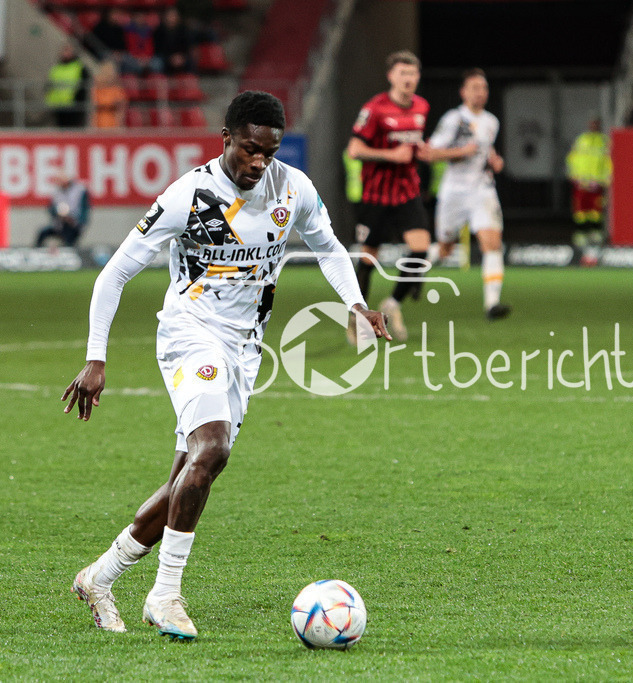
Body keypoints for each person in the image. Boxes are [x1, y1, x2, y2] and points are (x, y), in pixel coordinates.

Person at [62, 91, 390, 640]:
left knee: (189, 477)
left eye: (269, 152)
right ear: (227, 138)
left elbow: (330, 249)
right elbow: (113, 275)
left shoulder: (294, 188)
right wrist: (96, 358)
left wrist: (355, 304)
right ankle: (165, 596)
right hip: (190, 334)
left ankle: (100, 576)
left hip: (244, 349)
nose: (258, 163)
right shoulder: (188, 195)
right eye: (248, 150)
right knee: (212, 448)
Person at [346, 50, 431, 342]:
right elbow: (355, 149)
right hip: (376, 195)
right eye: (402, 73)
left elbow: (416, 146)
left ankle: (392, 304)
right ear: (391, 76)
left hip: (407, 192)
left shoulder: (422, 106)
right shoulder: (375, 109)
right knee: (368, 259)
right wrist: (391, 155)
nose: (408, 79)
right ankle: (356, 318)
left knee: (421, 250)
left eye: (412, 74)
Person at [424, 68, 510, 321]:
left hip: (482, 190)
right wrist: (460, 152)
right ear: (463, 92)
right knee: (444, 249)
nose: (480, 93)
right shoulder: (453, 119)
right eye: (474, 88)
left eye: (483, 88)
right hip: (454, 192)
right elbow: (431, 153)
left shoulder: (491, 121)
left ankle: (492, 304)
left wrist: (494, 159)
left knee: (492, 243)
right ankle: (413, 275)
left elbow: (485, 149)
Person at [565, 118, 612, 246]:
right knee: (580, 211)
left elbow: (608, 162)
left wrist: (604, 180)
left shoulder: (604, 141)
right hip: (581, 182)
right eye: (591, 123)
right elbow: (572, 158)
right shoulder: (582, 140)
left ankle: (595, 234)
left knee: (596, 211)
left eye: (596, 123)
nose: (593, 125)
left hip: (596, 183)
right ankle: (581, 235)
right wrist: (574, 176)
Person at [35, 174, 90, 247]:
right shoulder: (56, 192)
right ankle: (37, 251)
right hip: (59, 223)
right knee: (43, 232)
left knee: (69, 236)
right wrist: (58, 214)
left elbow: (84, 210)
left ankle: (68, 249)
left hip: (74, 224)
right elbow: (51, 209)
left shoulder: (79, 191)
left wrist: (75, 220)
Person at [46, 43, 88, 128]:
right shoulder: (56, 67)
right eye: (64, 50)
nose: (65, 53)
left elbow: (84, 86)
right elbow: (49, 84)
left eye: (67, 50)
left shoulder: (79, 67)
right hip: (57, 105)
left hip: (74, 106)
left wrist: (78, 100)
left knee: (73, 133)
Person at [153, 8, 193, 75]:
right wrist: (170, 58)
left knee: (190, 61)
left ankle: (190, 80)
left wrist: (180, 57)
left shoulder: (184, 30)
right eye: (169, 16)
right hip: (165, 57)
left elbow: (187, 47)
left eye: (173, 16)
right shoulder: (158, 31)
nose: (171, 18)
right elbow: (158, 49)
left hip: (180, 57)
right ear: (164, 17)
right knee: (158, 63)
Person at [91, 61, 127, 128]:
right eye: (105, 72)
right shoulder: (96, 89)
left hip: (113, 123)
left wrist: (119, 124)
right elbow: (93, 106)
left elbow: (121, 107)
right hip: (99, 122)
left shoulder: (117, 89)